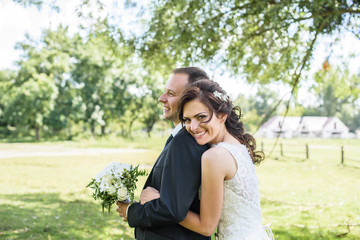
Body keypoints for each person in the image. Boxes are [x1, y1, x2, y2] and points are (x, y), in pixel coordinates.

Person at [141, 79, 275, 240]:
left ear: (222, 116)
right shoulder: (239, 146)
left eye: (201, 117)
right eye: (188, 120)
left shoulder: (215, 156)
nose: (194, 127)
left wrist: (159, 201)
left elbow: (206, 227)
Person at [116, 67, 211, 240]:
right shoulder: (181, 138)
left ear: (191, 98)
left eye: (170, 93)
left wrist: (131, 212)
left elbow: (172, 209)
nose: (161, 98)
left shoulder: (186, 141)